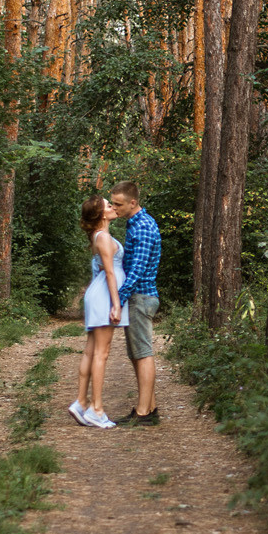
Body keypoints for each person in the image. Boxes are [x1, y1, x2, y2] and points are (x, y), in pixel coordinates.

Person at [109, 180, 162, 425]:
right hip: (140, 297)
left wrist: (118, 300)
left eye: (118, 204)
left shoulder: (141, 227)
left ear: (133, 202)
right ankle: (148, 407)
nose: (115, 208)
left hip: (140, 297)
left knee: (142, 354)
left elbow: (137, 270)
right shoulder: (137, 223)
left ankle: (144, 414)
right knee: (137, 353)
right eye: (113, 203)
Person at [71, 195, 124, 428]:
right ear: (102, 214)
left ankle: (81, 402)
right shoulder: (102, 237)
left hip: (98, 293)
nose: (112, 207)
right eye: (108, 205)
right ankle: (97, 409)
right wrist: (116, 303)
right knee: (101, 353)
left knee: (91, 352)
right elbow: (110, 273)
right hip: (104, 296)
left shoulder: (99, 236)